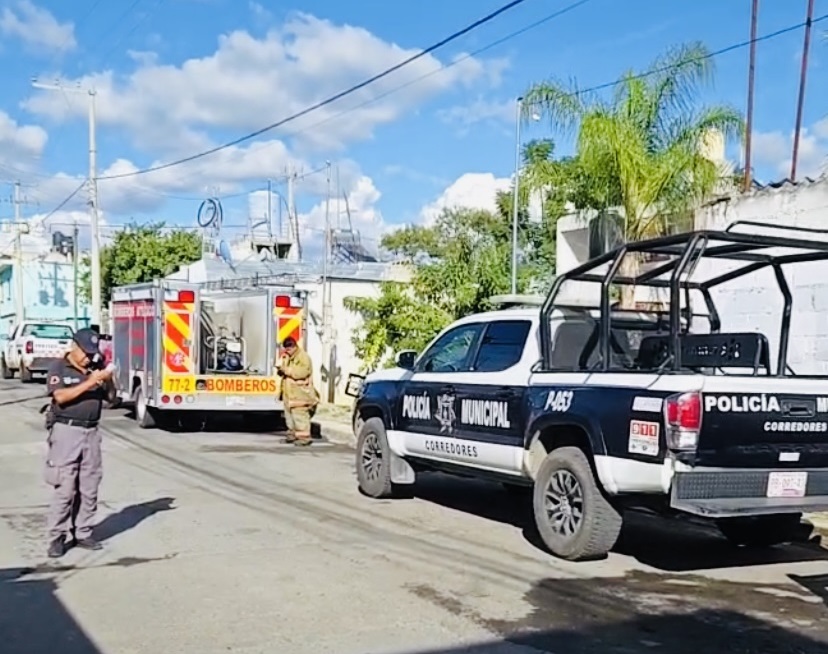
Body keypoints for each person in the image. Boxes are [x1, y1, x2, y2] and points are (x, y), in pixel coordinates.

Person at [43, 327, 116, 558]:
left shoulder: (94, 369)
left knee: (89, 487)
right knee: (65, 489)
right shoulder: (58, 367)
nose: (88, 357)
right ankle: (57, 536)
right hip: (67, 431)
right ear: (74, 347)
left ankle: (83, 532)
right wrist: (90, 381)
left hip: (91, 433)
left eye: (92, 353)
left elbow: (112, 399)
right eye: (85, 352)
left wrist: (107, 379)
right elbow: (60, 397)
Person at [277, 336, 319, 446]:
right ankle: (292, 435)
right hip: (289, 393)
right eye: (286, 349)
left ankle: (304, 438)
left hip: (300, 393)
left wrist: (286, 370)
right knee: (289, 417)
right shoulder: (288, 356)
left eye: (289, 349)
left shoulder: (303, 357)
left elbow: (302, 372)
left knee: (300, 416)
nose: (287, 351)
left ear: (294, 346)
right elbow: (284, 369)